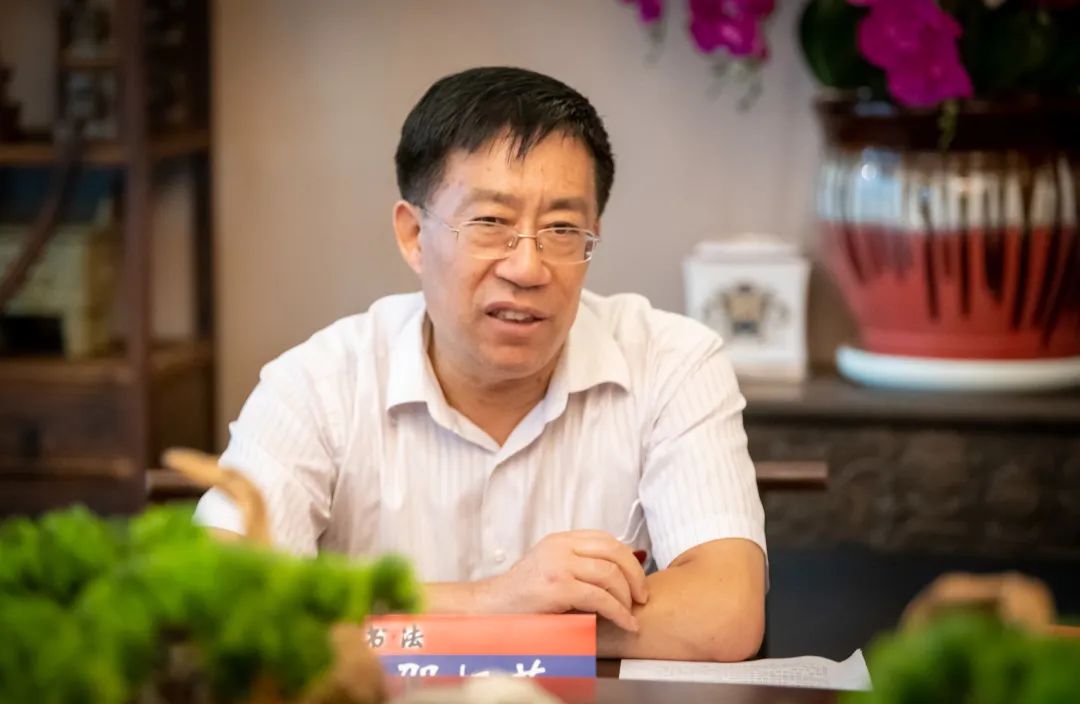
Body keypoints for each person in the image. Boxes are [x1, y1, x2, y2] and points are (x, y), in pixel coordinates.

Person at [195, 66, 767, 661]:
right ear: (414, 235)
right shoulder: (317, 383)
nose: (527, 268)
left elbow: (722, 614)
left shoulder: (671, 362)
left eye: (562, 229)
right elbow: (223, 603)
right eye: (490, 223)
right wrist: (494, 603)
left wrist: (470, 626)